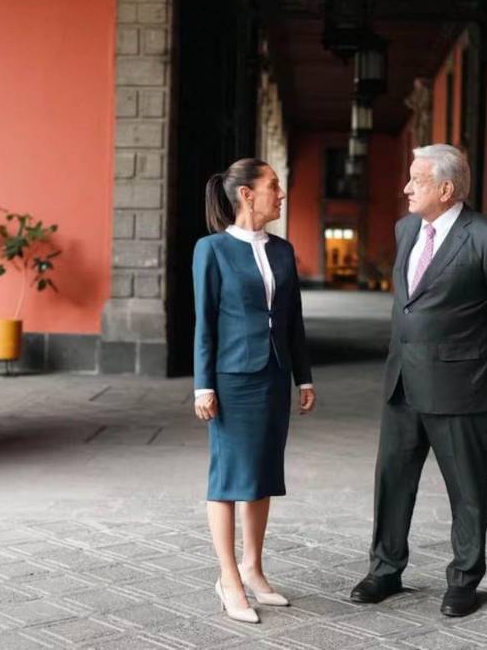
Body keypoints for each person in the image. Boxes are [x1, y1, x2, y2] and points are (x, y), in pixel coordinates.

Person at [349, 143, 487, 618]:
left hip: (461, 389)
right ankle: (384, 570)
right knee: (391, 481)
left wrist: (470, 369)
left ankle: (465, 579)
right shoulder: (407, 228)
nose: (406, 187)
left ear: (447, 189)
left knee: (467, 488)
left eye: (417, 180)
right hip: (401, 382)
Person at [192, 158, 316, 624]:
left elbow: (294, 322)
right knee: (228, 477)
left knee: (262, 473)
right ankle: (228, 578)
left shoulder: (283, 251)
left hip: (273, 376)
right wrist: (203, 385)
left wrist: (303, 377)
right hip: (230, 379)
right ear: (246, 194)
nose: (281, 194)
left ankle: (254, 569)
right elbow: (205, 322)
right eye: (274, 186)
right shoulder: (212, 250)